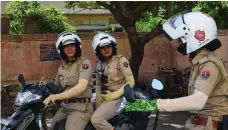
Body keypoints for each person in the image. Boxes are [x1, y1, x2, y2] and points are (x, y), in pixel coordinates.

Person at [124, 11, 228, 130]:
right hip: (197, 123)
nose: (178, 43)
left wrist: (153, 105)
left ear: (195, 36)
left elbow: (197, 101)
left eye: (180, 38)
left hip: (209, 125)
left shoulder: (209, 65)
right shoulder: (199, 63)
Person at [43, 31, 93, 130]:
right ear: (62, 49)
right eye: (66, 46)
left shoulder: (84, 63)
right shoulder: (61, 68)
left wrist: (58, 96)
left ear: (77, 47)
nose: (69, 48)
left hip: (81, 108)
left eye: (72, 45)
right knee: (52, 127)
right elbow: (56, 87)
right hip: (65, 107)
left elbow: (81, 86)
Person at [90, 32, 135, 130]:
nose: (106, 49)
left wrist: (114, 95)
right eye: (103, 48)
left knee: (96, 119)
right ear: (98, 50)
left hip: (119, 97)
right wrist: (98, 102)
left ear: (113, 47)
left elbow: (131, 81)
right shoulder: (99, 64)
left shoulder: (120, 60)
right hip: (106, 97)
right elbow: (98, 84)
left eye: (108, 46)